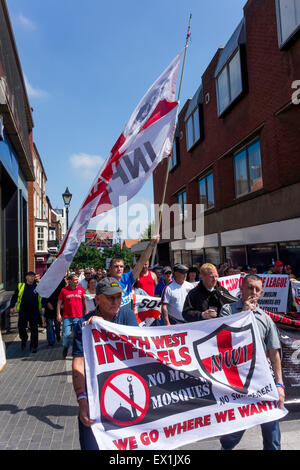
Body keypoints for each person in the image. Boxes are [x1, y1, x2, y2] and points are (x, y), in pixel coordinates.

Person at [219, 274, 285, 450]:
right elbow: (224, 338)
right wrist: (244, 314)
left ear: (261, 293)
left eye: (257, 289)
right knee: (231, 435)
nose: (253, 292)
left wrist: (279, 384)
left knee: (272, 433)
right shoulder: (228, 310)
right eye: (249, 288)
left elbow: (274, 352)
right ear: (241, 289)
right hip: (238, 382)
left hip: (264, 382)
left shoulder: (265, 318)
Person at [72, 277, 139, 450]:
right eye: (110, 297)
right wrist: (82, 399)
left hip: (126, 393)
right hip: (96, 398)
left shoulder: (127, 315)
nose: (116, 302)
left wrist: (103, 328)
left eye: (118, 297)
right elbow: (78, 362)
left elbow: (136, 345)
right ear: (97, 299)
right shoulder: (84, 325)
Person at [108, 234, 160, 307]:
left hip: (127, 316)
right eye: (116, 266)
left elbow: (142, 261)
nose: (119, 269)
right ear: (110, 268)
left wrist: (151, 244)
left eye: (121, 266)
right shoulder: (105, 283)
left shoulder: (127, 278)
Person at [9, 271, 44, 353]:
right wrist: (11, 306)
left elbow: (43, 297)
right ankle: (24, 338)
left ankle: (34, 346)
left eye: (33, 276)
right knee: (21, 327)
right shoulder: (21, 286)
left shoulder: (38, 286)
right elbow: (14, 296)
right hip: (23, 311)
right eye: (30, 276)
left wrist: (43, 306)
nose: (32, 277)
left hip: (34, 311)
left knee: (34, 330)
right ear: (26, 277)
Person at [57, 274, 86, 358]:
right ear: (70, 281)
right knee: (66, 335)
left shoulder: (81, 289)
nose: (77, 281)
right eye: (75, 280)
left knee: (78, 335)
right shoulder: (64, 290)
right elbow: (59, 302)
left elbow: (85, 301)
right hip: (67, 317)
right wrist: (58, 314)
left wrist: (86, 311)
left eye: (77, 279)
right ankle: (65, 347)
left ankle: (77, 352)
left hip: (79, 316)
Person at [43, 278, 66, 347]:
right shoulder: (46, 280)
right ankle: (51, 341)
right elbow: (43, 294)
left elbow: (64, 292)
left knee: (57, 324)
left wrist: (63, 303)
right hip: (49, 306)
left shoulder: (61, 280)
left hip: (58, 306)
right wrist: (47, 303)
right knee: (49, 325)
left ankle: (58, 334)